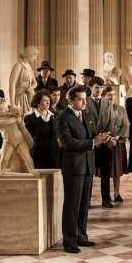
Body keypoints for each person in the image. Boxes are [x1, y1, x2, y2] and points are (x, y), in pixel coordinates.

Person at [56, 86, 110, 253]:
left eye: (85, 99)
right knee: (72, 205)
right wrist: (93, 142)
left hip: (87, 165)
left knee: (84, 204)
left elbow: (92, 135)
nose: (84, 102)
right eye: (80, 99)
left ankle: (81, 237)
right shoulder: (63, 117)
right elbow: (67, 143)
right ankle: (69, 241)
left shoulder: (85, 114)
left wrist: (103, 137)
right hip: (73, 167)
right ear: (70, 100)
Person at [85, 77, 114, 208]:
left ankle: (106, 199)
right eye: (96, 87)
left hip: (105, 143)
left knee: (106, 174)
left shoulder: (107, 102)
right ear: (91, 88)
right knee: (89, 174)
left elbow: (111, 121)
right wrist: (94, 138)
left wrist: (105, 136)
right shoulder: (85, 101)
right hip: (90, 143)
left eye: (101, 87)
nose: (99, 90)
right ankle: (87, 200)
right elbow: (83, 122)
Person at [103, 87, 129, 203]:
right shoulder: (101, 110)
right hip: (104, 143)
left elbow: (126, 125)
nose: (112, 97)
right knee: (106, 170)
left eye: (113, 95)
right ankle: (106, 196)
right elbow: (99, 126)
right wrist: (109, 138)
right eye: (109, 95)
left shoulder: (121, 109)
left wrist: (117, 137)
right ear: (104, 97)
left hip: (118, 143)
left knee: (117, 170)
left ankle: (117, 193)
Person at [23, 89, 60, 169]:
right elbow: (28, 138)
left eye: (49, 100)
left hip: (54, 154)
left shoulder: (55, 116)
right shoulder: (29, 118)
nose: (48, 102)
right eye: (45, 101)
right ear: (38, 102)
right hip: (38, 155)